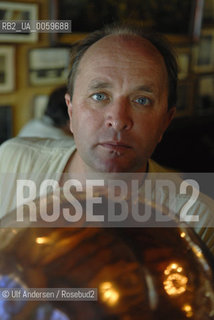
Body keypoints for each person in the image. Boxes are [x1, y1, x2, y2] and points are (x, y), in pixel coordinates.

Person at [0, 23, 214, 254]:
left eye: (141, 100)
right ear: (71, 112)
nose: (118, 119)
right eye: (99, 96)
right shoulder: (12, 161)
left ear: (165, 121)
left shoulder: (197, 219)